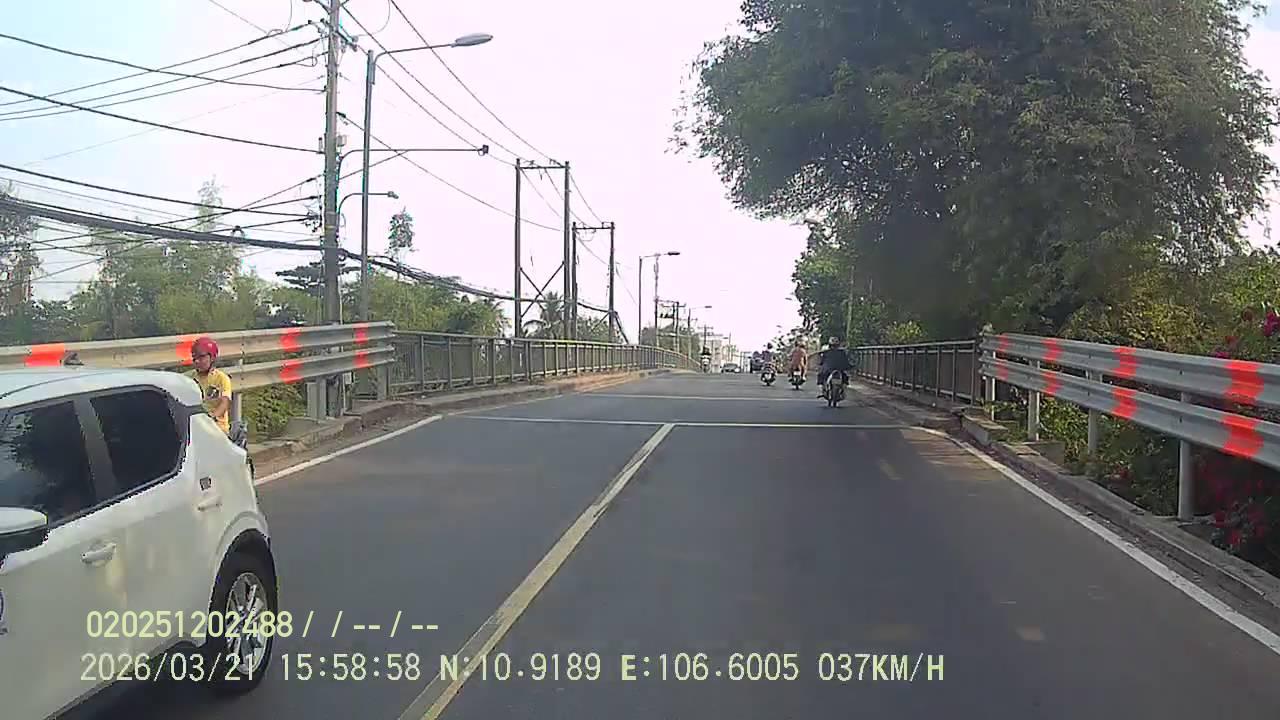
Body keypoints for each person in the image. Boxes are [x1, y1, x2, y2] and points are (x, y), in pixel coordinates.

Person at [190, 336, 233, 435]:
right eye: (194, 357)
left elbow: (225, 402)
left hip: (217, 428)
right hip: (195, 425)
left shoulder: (221, 378)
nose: (197, 361)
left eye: (201, 357)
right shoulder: (189, 378)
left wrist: (212, 416)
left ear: (212, 358)